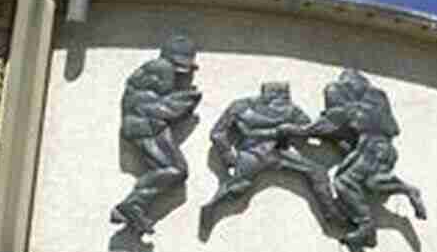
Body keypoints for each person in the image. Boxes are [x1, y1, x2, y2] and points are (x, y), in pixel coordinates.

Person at [287, 68, 426, 248]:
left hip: (370, 149)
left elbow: (321, 128)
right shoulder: (376, 105)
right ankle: (408, 190)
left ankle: (366, 225)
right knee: (373, 183)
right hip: (384, 150)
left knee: (344, 182)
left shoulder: (349, 108)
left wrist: (291, 130)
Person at [205, 81, 340, 221]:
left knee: (316, 172)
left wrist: (303, 129)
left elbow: (307, 129)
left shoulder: (291, 110)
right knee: (238, 188)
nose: (281, 102)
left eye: (284, 97)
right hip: (252, 154)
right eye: (279, 96)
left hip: (277, 153)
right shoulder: (241, 106)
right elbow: (217, 133)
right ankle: (210, 208)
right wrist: (228, 156)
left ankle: (331, 213)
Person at [110, 36, 201, 235]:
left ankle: (132, 206)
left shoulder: (155, 71)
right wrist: (185, 101)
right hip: (146, 127)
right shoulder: (162, 69)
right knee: (175, 169)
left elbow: (155, 103)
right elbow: (155, 107)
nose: (183, 76)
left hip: (149, 125)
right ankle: (131, 205)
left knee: (176, 169)